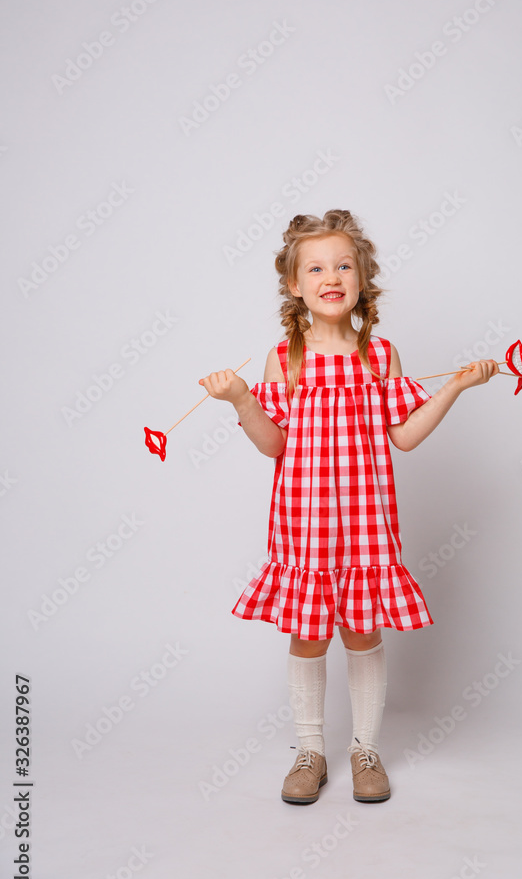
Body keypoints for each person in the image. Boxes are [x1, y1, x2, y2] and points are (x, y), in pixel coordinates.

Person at [198, 209, 498, 805]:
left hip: (366, 529)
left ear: (362, 281)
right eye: (315, 267)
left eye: (344, 265)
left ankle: (366, 749)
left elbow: (405, 436)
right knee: (309, 639)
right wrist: (238, 400)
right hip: (304, 529)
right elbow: (274, 444)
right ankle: (310, 751)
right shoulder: (285, 359)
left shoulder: (378, 355)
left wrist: (456, 387)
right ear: (293, 283)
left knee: (362, 632)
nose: (330, 275)